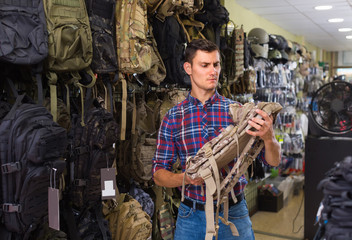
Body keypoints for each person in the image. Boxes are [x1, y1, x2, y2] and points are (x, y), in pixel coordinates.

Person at [152, 39, 281, 240]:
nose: (213, 71)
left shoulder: (238, 112)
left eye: (216, 64)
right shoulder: (173, 117)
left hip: (234, 212)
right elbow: (158, 173)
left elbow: (272, 161)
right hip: (191, 216)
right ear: (188, 68)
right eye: (205, 65)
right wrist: (186, 178)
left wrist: (269, 138)